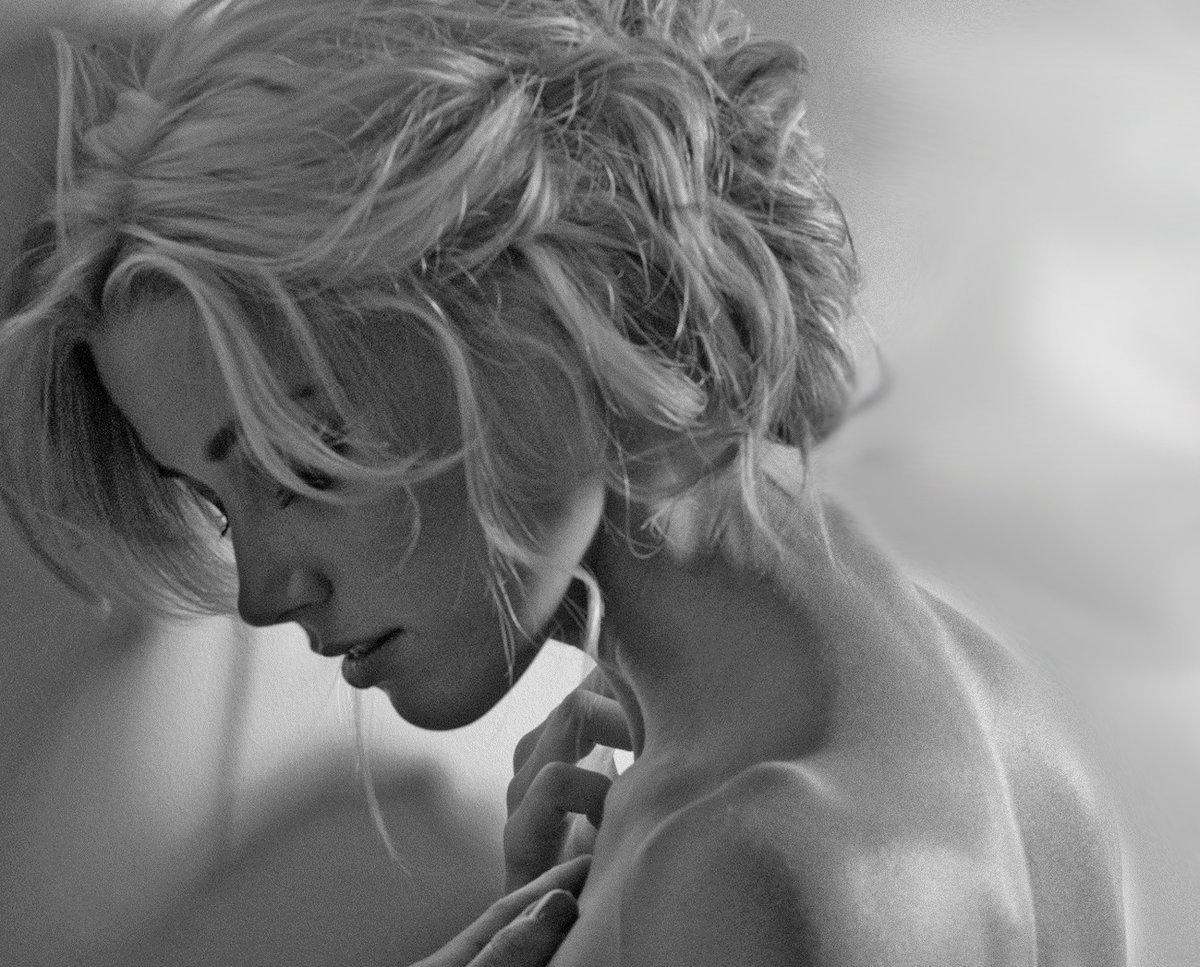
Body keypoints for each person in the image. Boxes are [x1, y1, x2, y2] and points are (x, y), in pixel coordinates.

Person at [0, 0, 1127, 963]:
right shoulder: (1017, 732)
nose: (259, 593)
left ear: (537, 322)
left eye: (299, 461)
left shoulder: (734, 869)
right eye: (216, 504)